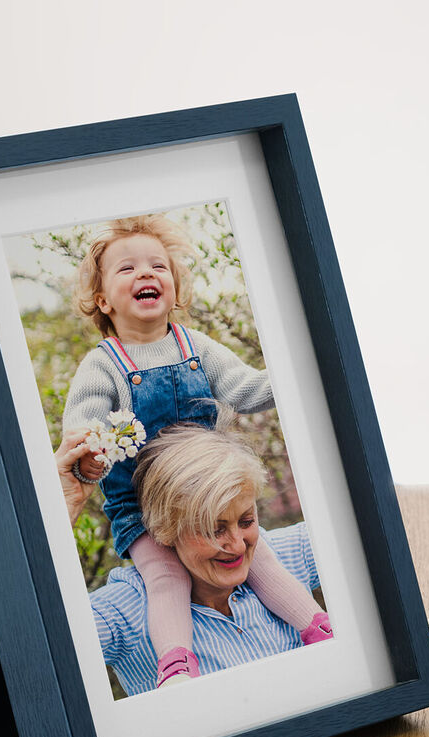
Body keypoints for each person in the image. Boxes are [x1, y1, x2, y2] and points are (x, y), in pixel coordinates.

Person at [60, 213, 331, 688]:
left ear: (176, 289)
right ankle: (178, 667)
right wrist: (91, 452)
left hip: (209, 493)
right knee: (166, 579)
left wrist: (298, 374)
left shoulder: (196, 345)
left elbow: (245, 390)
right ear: (103, 299)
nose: (146, 273)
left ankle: (320, 631)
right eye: (127, 269)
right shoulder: (102, 365)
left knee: (262, 557)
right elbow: (81, 426)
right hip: (141, 507)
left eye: (158, 266)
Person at [56, 423, 325, 696]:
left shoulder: (291, 556)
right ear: (166, 531)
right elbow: (36, 642)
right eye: (213, 529)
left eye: (246, 521)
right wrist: (62, 509)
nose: (237, 544)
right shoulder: (127, 612)